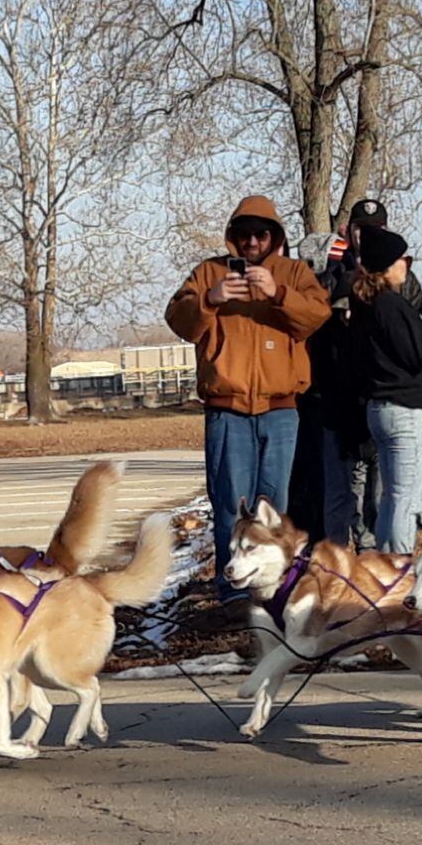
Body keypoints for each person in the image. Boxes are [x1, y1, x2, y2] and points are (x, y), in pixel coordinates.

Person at [166, 195, 330, 600]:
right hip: (228, 411)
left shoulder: (293, 273)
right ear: (233, 237)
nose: (253, 241)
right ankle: (233, 590)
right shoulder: (208, 274)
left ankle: (272, 587)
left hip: (281, 411)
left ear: (274, 236)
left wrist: (278, 293)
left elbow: (317, 316)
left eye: (262, 233)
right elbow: (178, 319)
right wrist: (212, 299)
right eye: (245, 234)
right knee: (230, 505)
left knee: (272, 509)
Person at [311, 200, 422, 548]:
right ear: (348, 231)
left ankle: (375, 558)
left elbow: (414, 341)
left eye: (377, 227)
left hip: (380, 395)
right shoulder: (332, 275)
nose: (367, 235)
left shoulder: (403, 282)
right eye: (362, 228)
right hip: (339, 398)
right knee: (341, 492)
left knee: (384, 492)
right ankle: (336, 568)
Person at [350, 224, 422, 554]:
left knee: (392, 496)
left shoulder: (365, 306)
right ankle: (397, 566)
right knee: (405, 495)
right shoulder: (390, 305)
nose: (407, 267)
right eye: (405, 259)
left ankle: (387, 562)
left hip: (379, 408)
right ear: (389, 264)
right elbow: (419, 355)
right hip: (403, 409)